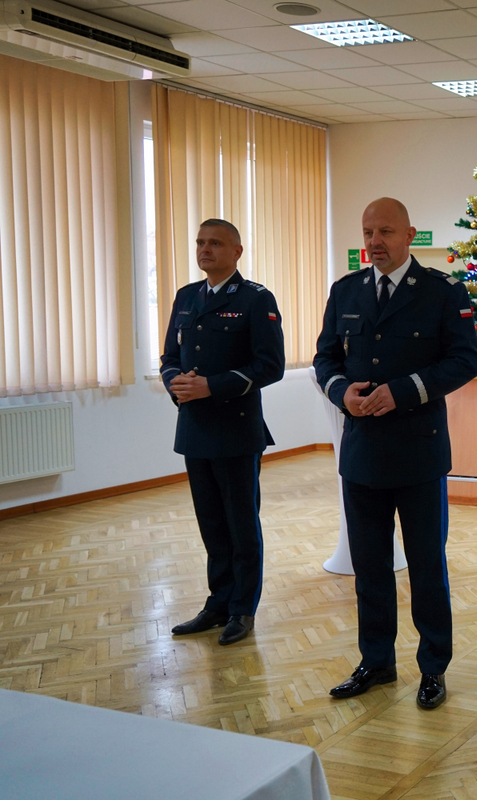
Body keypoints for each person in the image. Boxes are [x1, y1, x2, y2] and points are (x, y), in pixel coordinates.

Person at [314, 198, 477, 707]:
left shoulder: (442, 292)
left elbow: (464, 360)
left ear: (409, 234)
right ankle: (376, 661)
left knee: (427, 565)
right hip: (362, 453)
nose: (374, 241)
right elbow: (325, 357)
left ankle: (433, 667)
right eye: (367, 231)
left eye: (384, 230)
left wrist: (404, 390)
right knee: (370, 567)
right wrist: (341, 391)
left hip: (419, 454)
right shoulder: (346, 291)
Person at [161, 219, 285, 646]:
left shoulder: (255, 299)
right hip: (195, 429)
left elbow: (270, 366)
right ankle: (217, 603)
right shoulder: (186, 297)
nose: (205, 249)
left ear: (237, 251)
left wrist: (211, 386)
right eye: (200, 242)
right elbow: (169, 357)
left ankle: (241, 609)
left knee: (240, 525)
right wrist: (175, 383)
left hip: (236, 431)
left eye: (215, 243)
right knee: (212, 525)